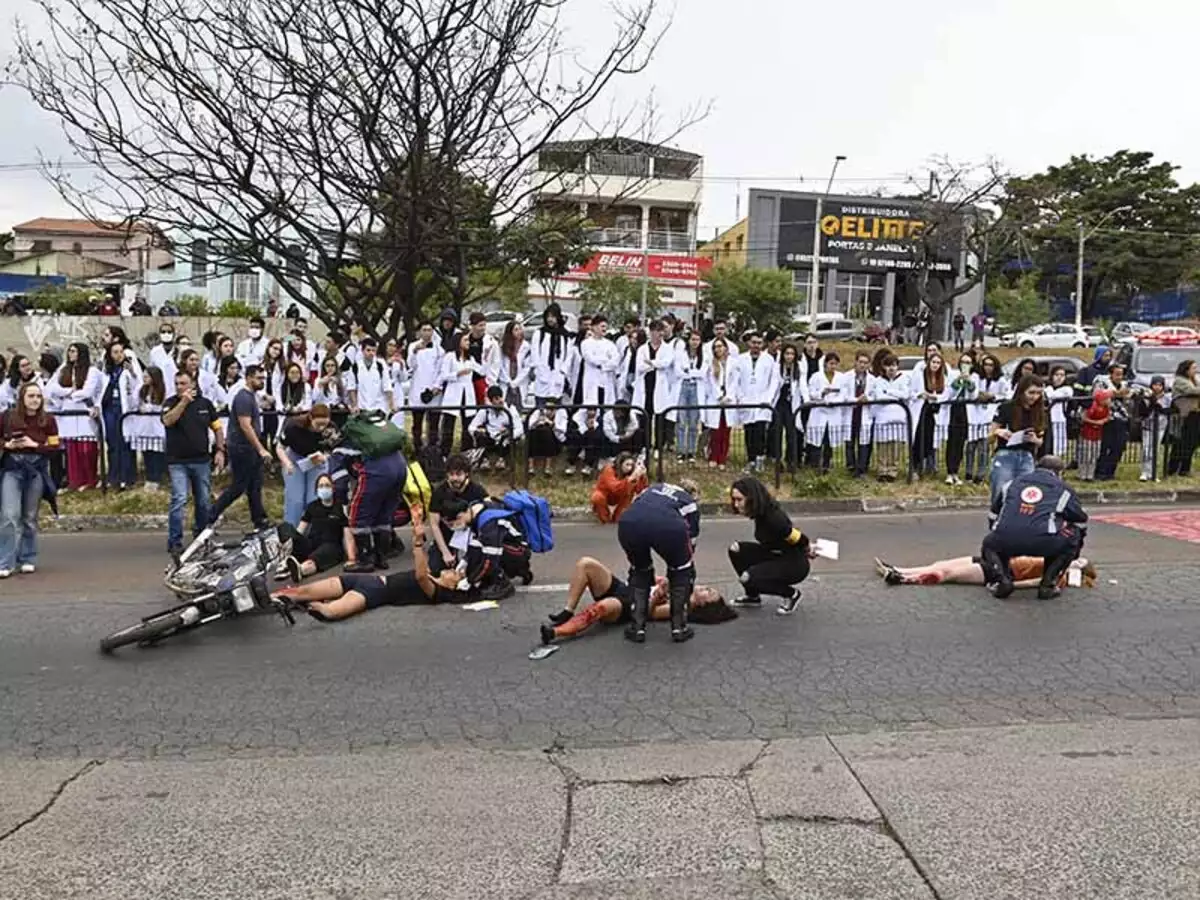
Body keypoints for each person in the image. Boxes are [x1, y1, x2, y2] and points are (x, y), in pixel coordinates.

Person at [275, 521, 465, 621]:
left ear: (453, 586)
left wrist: (417, 543)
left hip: (376, 593)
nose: (453, 571)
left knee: (330, 611)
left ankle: (313, 605)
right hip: (367, 580)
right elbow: (425, 566)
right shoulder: (433, 573)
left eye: (456, 574)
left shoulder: (436, 593)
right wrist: (417, 527)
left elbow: (420, 575)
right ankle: (270, 597)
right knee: (299, 591)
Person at [539, 556, 734, 644]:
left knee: (599, 608)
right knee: (586, 564)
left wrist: (656, 598)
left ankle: (556, 632)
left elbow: (649, 613)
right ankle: (567, 610)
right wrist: (658, 582)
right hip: (627, 589)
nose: (706, 588)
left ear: (701, 604)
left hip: (627, 606)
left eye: (708, 592)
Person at [981, 455, 1087, 600]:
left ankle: (1002, 579)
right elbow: (1080, 520)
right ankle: (1048, 584)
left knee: (989, 544)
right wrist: (1077, 547)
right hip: (1045, 542)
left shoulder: (1012, 483)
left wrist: (998, 533)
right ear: (1060, 473)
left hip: (1007, 539)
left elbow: (993, 515)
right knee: (1071, 535)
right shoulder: (1064, 490)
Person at [617, 479, 701, 643]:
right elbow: (691, 541)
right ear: (694, 494)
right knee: (681, 571)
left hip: (629, 522)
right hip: (667, 527)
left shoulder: (652, 488)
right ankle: (679, 627)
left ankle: (637, 627)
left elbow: (636, 505)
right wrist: (682, 564)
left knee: (640, 569)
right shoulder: (689, 502)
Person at [728, 476, 814, 615]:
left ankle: (790, 594)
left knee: (748, 577)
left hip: (793, 564)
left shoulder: (773, 518)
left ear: (752, 498)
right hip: (775, 554)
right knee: (736, 549)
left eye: (739, 500)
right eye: (734, 500)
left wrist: (808, 548)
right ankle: (752, 596)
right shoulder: (761, 512)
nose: (736, 505)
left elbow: (796, 536)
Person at [161, 371, 225, 555]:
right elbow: (168, 421)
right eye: (177, 383)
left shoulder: (205, 404)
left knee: (203, 500)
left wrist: (220, 450)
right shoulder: (170, 403)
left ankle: (201, 536)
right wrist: (184, 402)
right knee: (179, 499)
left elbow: (217, 427)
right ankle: (175, 541)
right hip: (177, 461)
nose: (179, 387)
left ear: (193, 384)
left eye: (183, 383)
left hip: (201, 460)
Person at [0, 382, 59, 577]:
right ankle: (5, 562)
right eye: (31, 396)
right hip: (12, 468)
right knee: (9, 515)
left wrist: (35, 444)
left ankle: (27, 557)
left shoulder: (48, 420)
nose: (35, 400)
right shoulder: (7, 417)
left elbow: (55, 447)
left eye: (38, 396)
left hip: (35, 470)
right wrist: (8, 444)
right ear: (22, 398)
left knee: (30, 517)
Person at [209, 364, 272, 530]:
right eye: (259, 378)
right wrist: (260, 449)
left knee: (254, 485)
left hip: (249, 448)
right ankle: (210, 516)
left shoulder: (251, 396)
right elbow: (245, 426)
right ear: (249, 378)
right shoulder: (243, 397)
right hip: (242, 448)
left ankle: (260, 520)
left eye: (263, 378)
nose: (261, 381)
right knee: (238, 487)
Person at [46, 343, 103, 491]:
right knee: (72, 450)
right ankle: (75, 480)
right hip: (68, 412)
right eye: (69, 351)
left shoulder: (92, 371)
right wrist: (69, 392)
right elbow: (52, 388)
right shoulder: (64, 369)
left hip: (84, 411)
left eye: (74, 351)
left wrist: (73, 395)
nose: (71, 354)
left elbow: (88, 391)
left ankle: (90, 479)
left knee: (87, 449)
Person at [276, 473, 351, 581]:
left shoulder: (340, 508)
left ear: (333, 488)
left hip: (331, 547)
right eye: (321, 486)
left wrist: (351, 557)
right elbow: (300, 529)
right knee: (284, 527)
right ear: (316, 490)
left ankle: (300, 570)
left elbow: (347, 534)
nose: (324, 488)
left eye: (327, 485)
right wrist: (292, 540)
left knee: (318, 557)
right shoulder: (312, 506)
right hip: (311, 544)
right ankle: (285, 562)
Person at [874, 554, 1096, 589]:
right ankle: (899, 568)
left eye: (1080, 563)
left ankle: (903, 579)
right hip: (998, 558)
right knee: (941, 563)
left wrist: (1008, 585)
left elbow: (1036, 583)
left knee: (947, 574)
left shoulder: (1061, 575)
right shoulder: (1055, 555)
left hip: (1000, 570)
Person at [988, 374, 1045, 508]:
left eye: (1038, 393)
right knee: (1000, 493)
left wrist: (1034, 439)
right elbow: (989, 436)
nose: (1034, 397)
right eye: (1031, 392)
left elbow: (1041, 441)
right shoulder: (1006, 407)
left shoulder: (1040, 411)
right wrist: (999, 432)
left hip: (1027, 456)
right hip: (1006, 455)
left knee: (1025, 496)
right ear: (1022, 391)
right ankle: (997, 520)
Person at [428, 453, 488, 573]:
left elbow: (490, 511)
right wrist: (445, 553)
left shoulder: (477, 490)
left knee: (475, 572)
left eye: (458, 474)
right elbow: (434, 524)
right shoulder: (439, 492)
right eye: (451, 474)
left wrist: (472, 514)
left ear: (466, 474)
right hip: (446, 537)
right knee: (436, 570)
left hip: (470, 538)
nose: (454, 478)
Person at [276, 404, 333, 526]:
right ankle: (291, 531)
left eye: (325, 424)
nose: (321, 428)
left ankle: (313, 531)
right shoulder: (293, 426)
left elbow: (332, 449)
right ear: (310, 418)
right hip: (295, 459)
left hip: (317, 461)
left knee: (313, 498)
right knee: (295, 499)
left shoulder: (331, 429)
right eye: (318, 425)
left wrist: (325, 457)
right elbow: (280, 448)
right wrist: (287, 463)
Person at [733, 333, 780, 472]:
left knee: (760, 432)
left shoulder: (769, 360)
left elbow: (774, 381)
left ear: (762, 344)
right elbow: (736, 381)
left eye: (759, 343)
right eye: (754, 343)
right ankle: (751, 460)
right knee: (749, 432)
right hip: (746, 400)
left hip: (762, 401)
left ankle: (760, 459)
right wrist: (740, 397)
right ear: (749, 343)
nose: (756, 346)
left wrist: (768, 398)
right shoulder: (741, 359)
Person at [122, 365, 168, 488]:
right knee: (146, 453)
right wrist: (129, 392)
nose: (144, 378)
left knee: (156, 454)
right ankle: (149, 478)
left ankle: (156, 478)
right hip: (144, 427)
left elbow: (163, 405)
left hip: (156, 427)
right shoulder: (141, 389)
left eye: (147, 376)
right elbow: (134, 403)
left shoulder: (163, 390)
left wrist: (150, 408)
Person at [438, 331, 481, 455]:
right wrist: (457, 374)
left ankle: (466, 454)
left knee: (467, 426)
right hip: (453, 394)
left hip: (467, 394)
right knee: (448, 427)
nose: (468, 343)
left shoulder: (470, 359)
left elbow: (482, 371)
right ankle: (444, 455)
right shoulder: (450, 357)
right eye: (465, 340)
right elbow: (444, 375)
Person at [468, 384, 523, 471]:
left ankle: (502, 460)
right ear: (491, 400)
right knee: (480, 436)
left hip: (505, 439)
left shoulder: (510, 409)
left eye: (501, 397)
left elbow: (520, 429)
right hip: (490, 438)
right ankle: (484, 461)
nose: (500, 401)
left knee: (509, 439)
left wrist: (510, 433)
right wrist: (478, 430)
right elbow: (471, 427)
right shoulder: (485, 411)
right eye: (496, 399)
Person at [407, 321, 443, 447]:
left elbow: (441, 370)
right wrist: (415, 352)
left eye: (429, 330)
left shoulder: (439, 349)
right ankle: (417, 449)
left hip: (434, 392)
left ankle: (432, 450)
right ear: (419, 332)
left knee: (434, 424)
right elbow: (410, 366)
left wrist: (437, 386)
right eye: (424, 330)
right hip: (417, 390)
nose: (427, 332)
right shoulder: (412, 346)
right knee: (417, 423)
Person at [530, 303, 571, 407]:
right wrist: (539, 369)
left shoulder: (565, 335)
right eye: (548, 317)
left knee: (556, 408)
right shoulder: (540, 334)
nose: (550, 319)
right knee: (541, 407)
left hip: (557, 375)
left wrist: (563, 371)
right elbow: (534, 353)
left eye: (552, 316)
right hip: (543, 374)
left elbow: (569, 355)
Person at [674, 330, 706, 465]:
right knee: (681, 420)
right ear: (689, 340)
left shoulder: (704, 356)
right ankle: (681, 451)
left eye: (697, 340)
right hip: (683, 387)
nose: (695, 342)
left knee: (694, 421)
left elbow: (703, 373)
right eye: (693, 339)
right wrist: (691, 373)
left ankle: (691, 451)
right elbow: (678, 371)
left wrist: (689, 371)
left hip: (696, 388)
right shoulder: (681, 354)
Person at [590, 451, 647, 523]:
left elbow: (640, 490)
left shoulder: (631, 473)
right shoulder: (608, 470)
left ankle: (617, 518)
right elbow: (614, 488)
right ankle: (605, 519)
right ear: (620, 464)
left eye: (631, 465)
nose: (629, 468)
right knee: (597, 497)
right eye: (627, 465)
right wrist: (631, 478)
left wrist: (642, 476)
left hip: (623, 498)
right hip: (606, 495)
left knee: (620, 520)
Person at [1167, 359, 1200, 477]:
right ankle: (1173, 468)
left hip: (1195, 414)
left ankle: (1185, 468)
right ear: (1186, 370)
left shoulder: (1194, 380)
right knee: (1181, 443)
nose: (1195, 370)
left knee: (1192, 442)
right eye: (1193, 368)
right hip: (1184, 415)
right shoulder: (1180, 381)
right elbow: (1192, 391)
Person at [346, 337, 394, 415]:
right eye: (368, 350)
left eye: (373, 350)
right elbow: (352, 389)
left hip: (379, 408)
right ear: (362, 350)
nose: (371, 353)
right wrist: (354, 405)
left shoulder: (380, 366)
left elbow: (387, 386)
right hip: (362, 408)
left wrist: (392, 405)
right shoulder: (355, 367)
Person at [1136, 375, 1171, 481]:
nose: (1157, 387)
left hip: (1160, 427)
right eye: (1155, 385)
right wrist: (1152, 403)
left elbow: (1172, 410)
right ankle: (1145, 472)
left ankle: (1154, 472)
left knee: (1155, 450)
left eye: (1160, 385)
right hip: (1147, 427)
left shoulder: (1167, 398)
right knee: (1146, 450)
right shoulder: (1146, 397)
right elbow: (1142, 412)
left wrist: (1162, 409)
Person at [526, 398, 567, 476]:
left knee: (547, 432)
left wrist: (551, 423)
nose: (549, 411)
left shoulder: (562, 413)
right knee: (532, 434)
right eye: (547, 408)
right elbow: (528, 426)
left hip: (556, 440)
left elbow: (563, 430)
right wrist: (537, 421)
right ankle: (530, 467)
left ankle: (548, 468)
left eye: (552, 409)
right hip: (538, 437)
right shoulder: (538, 411)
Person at [1077, 388, 1111, 482]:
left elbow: (1108, 417)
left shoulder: (1106, 408)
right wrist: (1095, 422)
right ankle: (1082, 474)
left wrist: (1103, 421)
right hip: (1087, 433)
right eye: (1106, 398)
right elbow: (1084, 418)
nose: (1109, 400)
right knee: (1086, 455)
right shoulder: (1092, 407)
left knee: (1094, 455)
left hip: (1098, 434)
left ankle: (1090, 475)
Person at [498, 320, 532, 409]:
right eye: (516, 330)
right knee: (505, 408)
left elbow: (527, 367)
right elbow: (500, 365)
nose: (519, 332)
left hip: (520, 383)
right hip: (506, 382)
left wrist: (516, 382)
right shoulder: (503, 347)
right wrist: (508, 381)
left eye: (520, 329)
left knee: (518, 408)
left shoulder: (526, 346)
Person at [149, 322, 179, 388]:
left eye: (169, 332)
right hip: (159, 389)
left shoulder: (179, 350)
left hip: (176, 387)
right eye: (163, 332)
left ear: (174, 334)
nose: (166, 334)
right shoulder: (154, 352)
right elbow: (151, 372)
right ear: (159, 334)